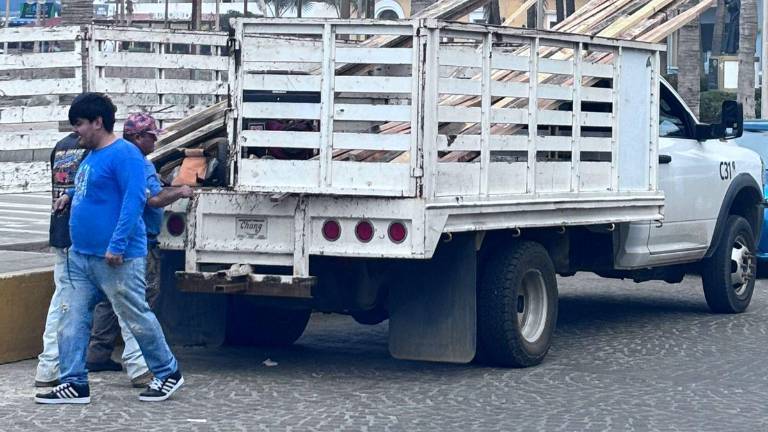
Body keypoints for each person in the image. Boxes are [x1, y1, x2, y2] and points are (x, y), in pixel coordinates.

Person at [34, 93, 183, 404]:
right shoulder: (91, 156)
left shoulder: (125, 155)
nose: (77, 132)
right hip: (81, 256)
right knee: (72, 318)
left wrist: (116, 245)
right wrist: (69, 196)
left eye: (80, 125)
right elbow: (89, 186)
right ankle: (74, 381)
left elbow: (134, 201)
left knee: (135, 316)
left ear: (98, 122)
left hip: (118, 258)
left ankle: (167, 372)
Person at [85, 113, 192, 388]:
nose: (155, 141)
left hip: (114, 243)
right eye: (151, 136)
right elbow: (153, 200)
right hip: (137, 243)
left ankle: (97, 353)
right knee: (140, 304)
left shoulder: (110, 157)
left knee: (110, 300)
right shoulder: (138, 163)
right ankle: (142, 367)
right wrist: (179, 191)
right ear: (137, 137)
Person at [34, 132, 88, 387]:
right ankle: (141, 365)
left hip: (59, 229)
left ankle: (48, 367)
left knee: (61, 301)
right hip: (80, 233)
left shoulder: (61, 146)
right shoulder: (95, 148)